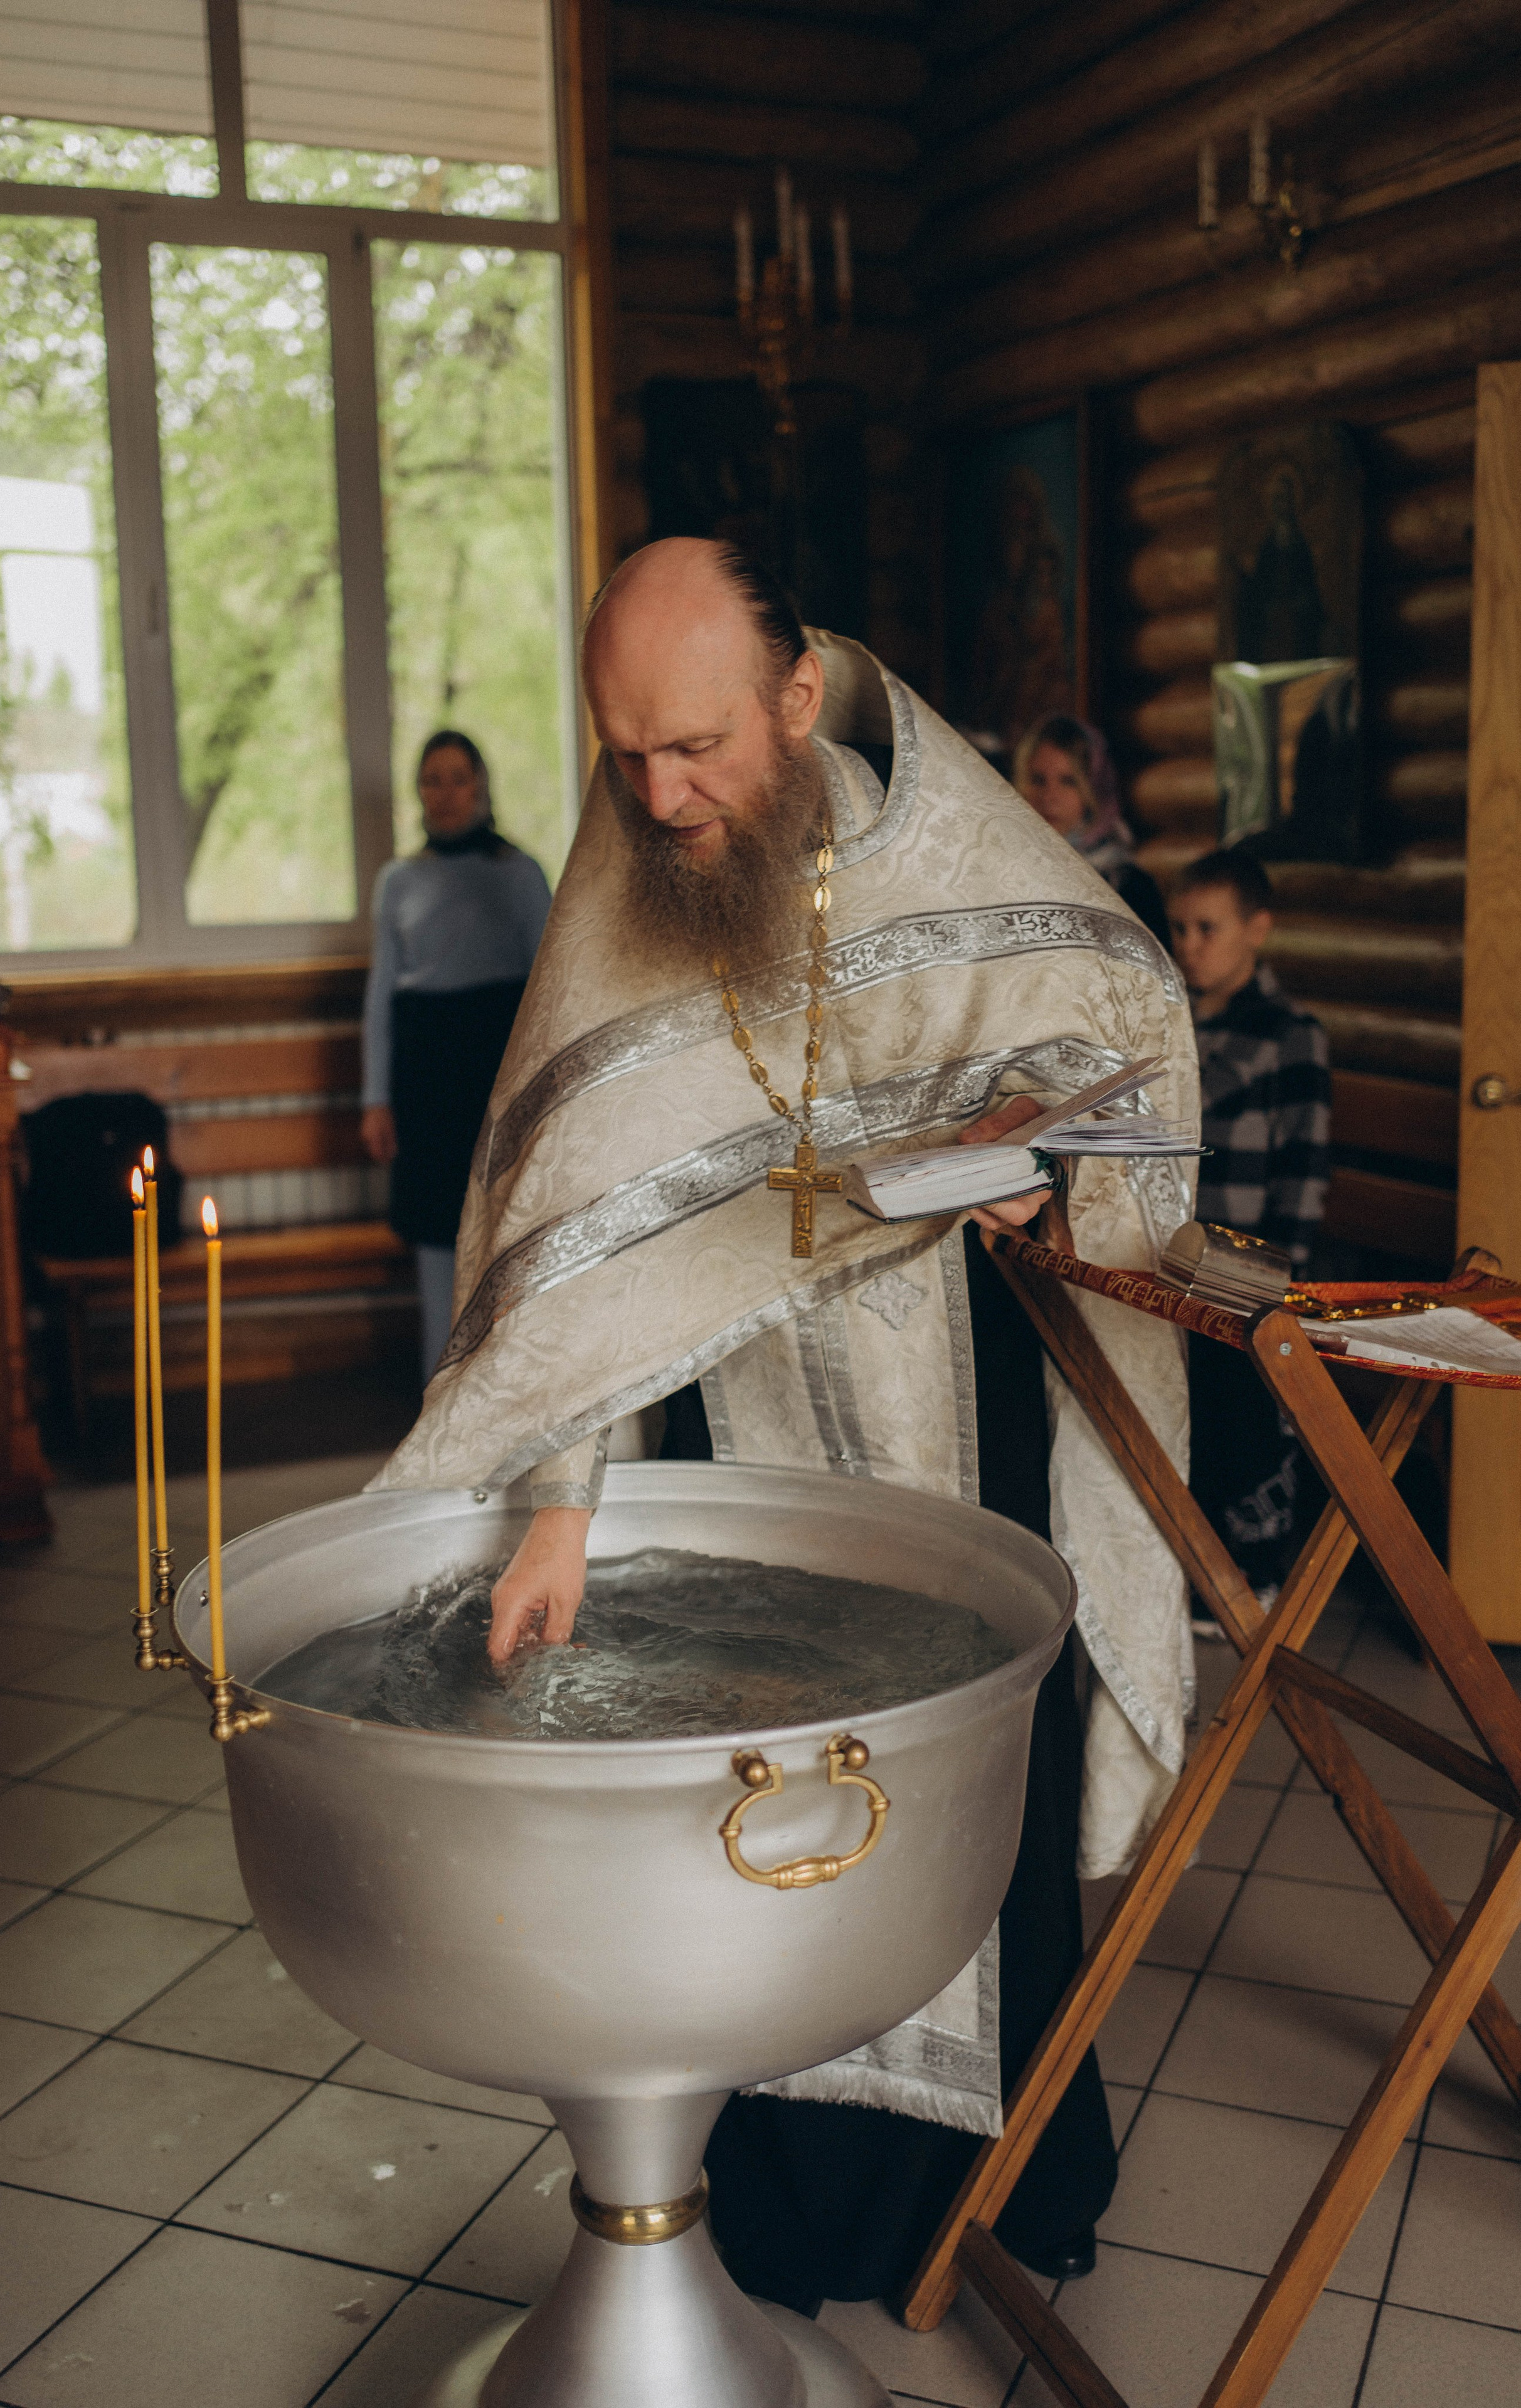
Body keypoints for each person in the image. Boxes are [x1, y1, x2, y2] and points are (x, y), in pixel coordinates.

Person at [369, 541, 1199, 2305]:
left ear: (799, 699)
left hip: (963, 1408)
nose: (661, 796)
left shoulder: (958, 844)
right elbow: (573, 1237)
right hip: (732, 1439)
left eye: (699, 749)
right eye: (625, 753)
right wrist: (563, 1504)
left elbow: (1117, 1035)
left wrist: (1040, 1174)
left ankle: (1012, 2188)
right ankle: (805, 2214)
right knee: (755, 1814)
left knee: (987, 1792)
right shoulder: (626, 888)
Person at [361, 731, 551, 1383]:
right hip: (422, 1084)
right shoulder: (398, 881)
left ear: (481, 786)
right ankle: (438, 1399)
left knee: (504, 1233)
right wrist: (374, 1100)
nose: (445, 793)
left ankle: (505, 1389)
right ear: (419, 793)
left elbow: (549, 989)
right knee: (437, 1244)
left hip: (496, 1074)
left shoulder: (520, 874)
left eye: (457, 778)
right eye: (431, 780)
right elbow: (381, 995)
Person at [1169, 847, 1330, 1601]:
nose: (1189, 945)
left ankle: (1252, 1568)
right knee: (1184, 1405)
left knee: (1241, 1407)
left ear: (1256, 930)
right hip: (1168, 1253)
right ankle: (1191, 1563)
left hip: (1248, 1266)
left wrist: (1281, 1280)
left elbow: (1303, 1165)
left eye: (1207, 928)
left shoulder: (1290, 1034)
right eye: (1179, 929)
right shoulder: (1167, 1023)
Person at [1014, 712, 1170, 950]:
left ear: (1093, 789)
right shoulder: (1007, 871)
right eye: (1038, 780)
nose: (1049, 797)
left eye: (1068, 781)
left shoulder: (1128, 886)